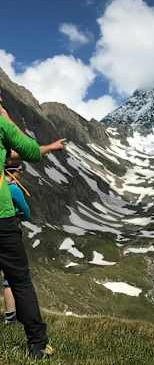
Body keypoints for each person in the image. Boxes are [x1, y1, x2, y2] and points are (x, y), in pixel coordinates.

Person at [0, 101, 65, 359]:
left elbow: (6, 155)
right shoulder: (2, 124)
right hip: (2, 217)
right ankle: (37, 345)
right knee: (20, 281)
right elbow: (27, 150)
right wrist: (7, 119)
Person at [2, 161, 30, 325]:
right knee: (10, 277)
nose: (21, 174)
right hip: (8, 234)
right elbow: (26, 212)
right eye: (20, 171)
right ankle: (11, 318)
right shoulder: (13, 189)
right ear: (12, 172)